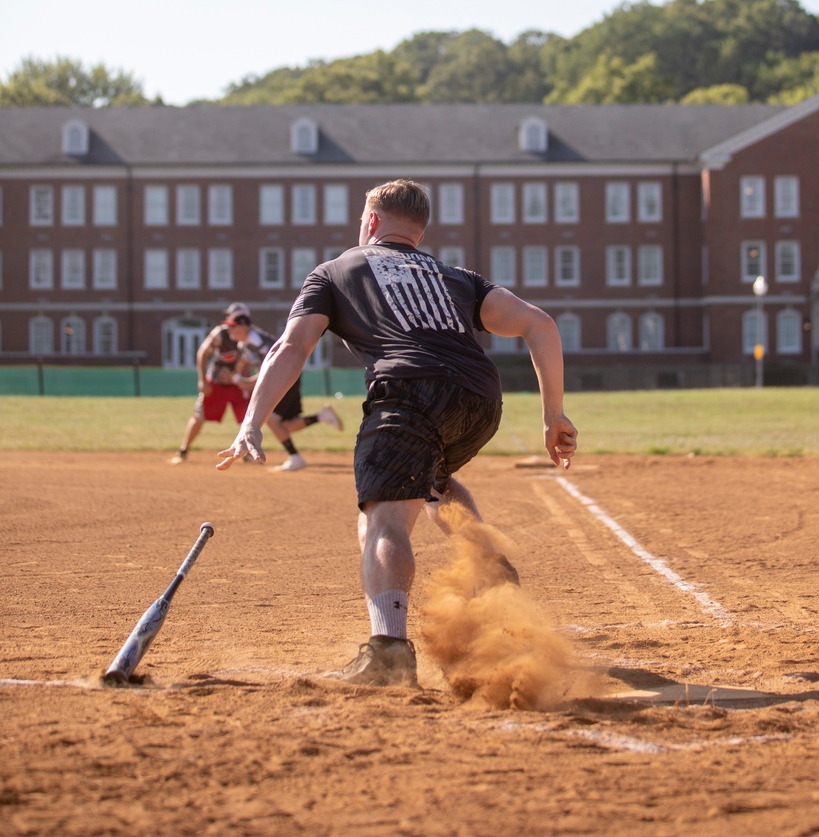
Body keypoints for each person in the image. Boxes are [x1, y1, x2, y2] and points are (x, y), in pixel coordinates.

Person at [217, 179, 577, 687]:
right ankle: (489, 567)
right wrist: (553, 416)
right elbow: (540, 324)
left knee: (382, 519)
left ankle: (386, 654)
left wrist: (252, 422)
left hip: (409, 391)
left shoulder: (336, 271)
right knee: (432, 479)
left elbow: (290, 348)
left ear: (371, 223)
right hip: (479, 400)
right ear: (420, 231)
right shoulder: (456, 276)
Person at [229, 303, 345, 472]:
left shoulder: (255, 340)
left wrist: (248, 382)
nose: (230, 330)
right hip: (287, 376)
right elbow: (259, 368)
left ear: (244, 326)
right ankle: (321, 417)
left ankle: (295, 458)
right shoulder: (245, 344)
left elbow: (274, 367)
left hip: (284, 376)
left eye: (233, 327)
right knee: (285, 425)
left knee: (270, 419)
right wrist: (243, 377)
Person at [170, 307, 253, 464]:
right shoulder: (220, 333)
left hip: (239, 385)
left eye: (233, 317)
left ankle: (247, 453)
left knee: (249, 419)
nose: (230, 322)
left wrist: (248, 381)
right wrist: (202, 380)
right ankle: (183, 451)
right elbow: (202, 353)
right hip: (216, 382)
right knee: (199, 416)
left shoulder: (252, 336)